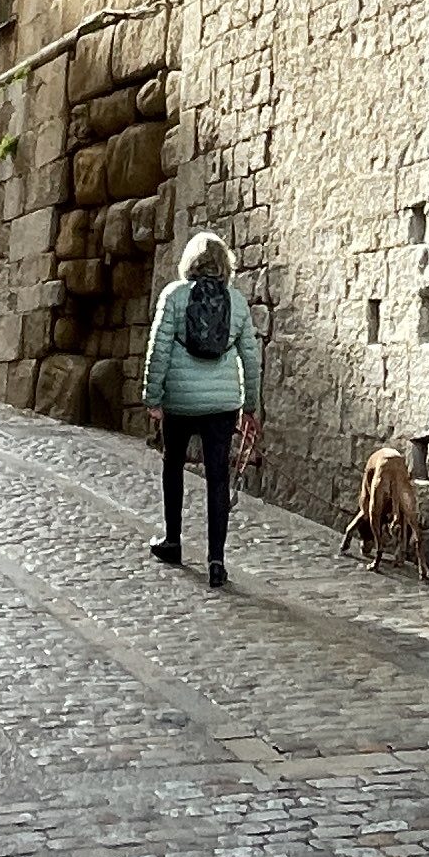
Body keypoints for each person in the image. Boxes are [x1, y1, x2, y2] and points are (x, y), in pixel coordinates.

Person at [140, 227, 262, 588]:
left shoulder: (174, 296)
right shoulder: (237, 303)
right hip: (222, 405)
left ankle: (173, 540)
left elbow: (158, 349)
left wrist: (153, 398)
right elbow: (250, 358)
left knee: (173, 466)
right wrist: (250, 405)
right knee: (218, 478)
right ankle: (216, 560)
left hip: (179, 400)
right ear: (225, 264)